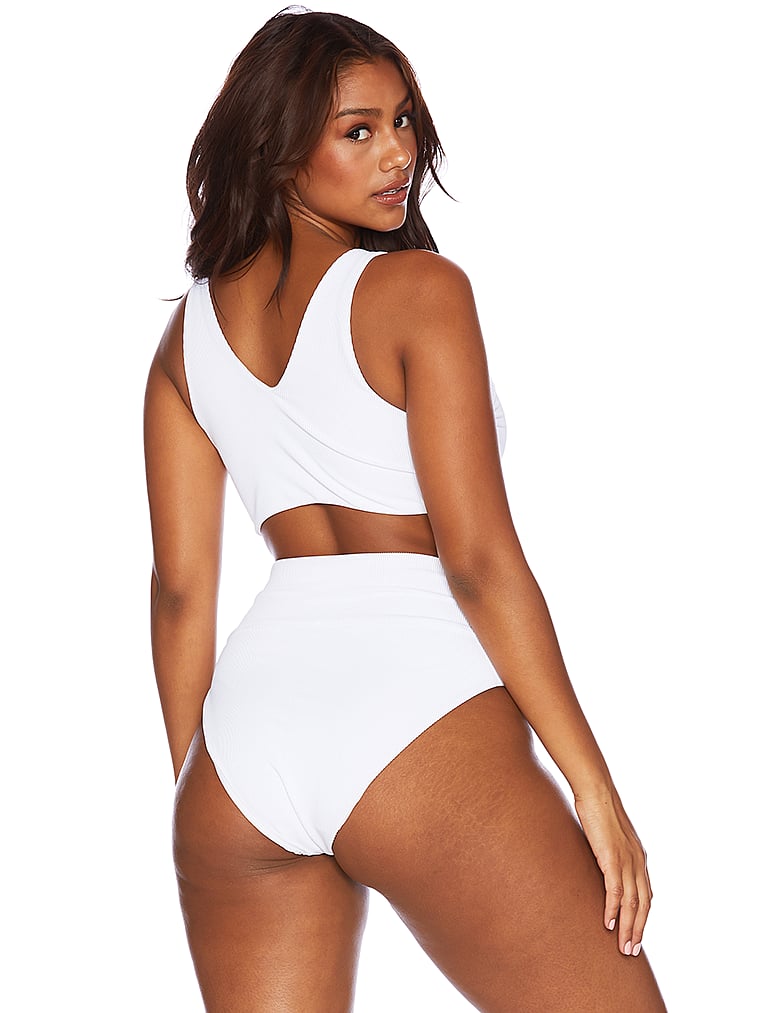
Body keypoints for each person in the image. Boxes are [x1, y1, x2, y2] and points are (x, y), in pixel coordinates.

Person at [144, 8, 667, 1011]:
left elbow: (178, 592)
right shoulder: (420, 290)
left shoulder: (185, 343)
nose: (398, 153)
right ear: (279, 146)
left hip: (243, 745)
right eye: (359, 130)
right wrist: (592, 785)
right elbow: (478, 560)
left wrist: (199, 781)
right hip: (414, 699)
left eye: (403, 121)